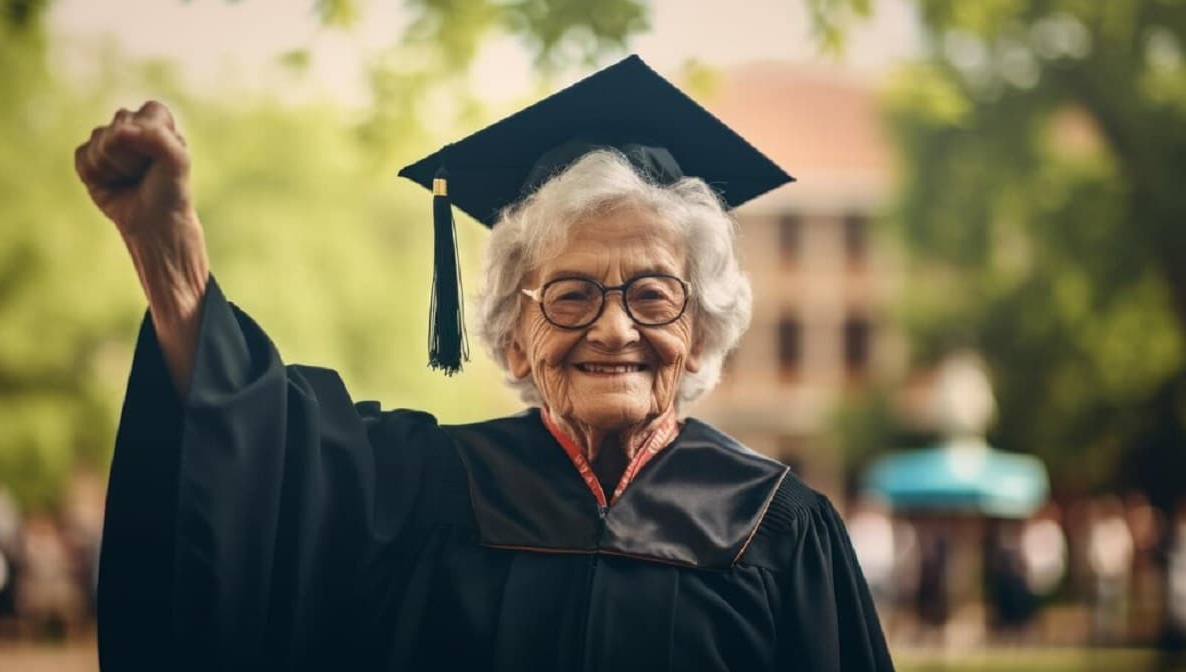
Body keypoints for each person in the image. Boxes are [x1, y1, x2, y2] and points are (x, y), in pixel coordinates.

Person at [75, 56, 893, 671]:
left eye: (653, 296)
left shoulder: (779, 530)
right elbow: (263, 451)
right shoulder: (427, 488)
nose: (614, 329)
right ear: (511, 337)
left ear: (702, 332)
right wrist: (171, 261)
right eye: (570, 296)